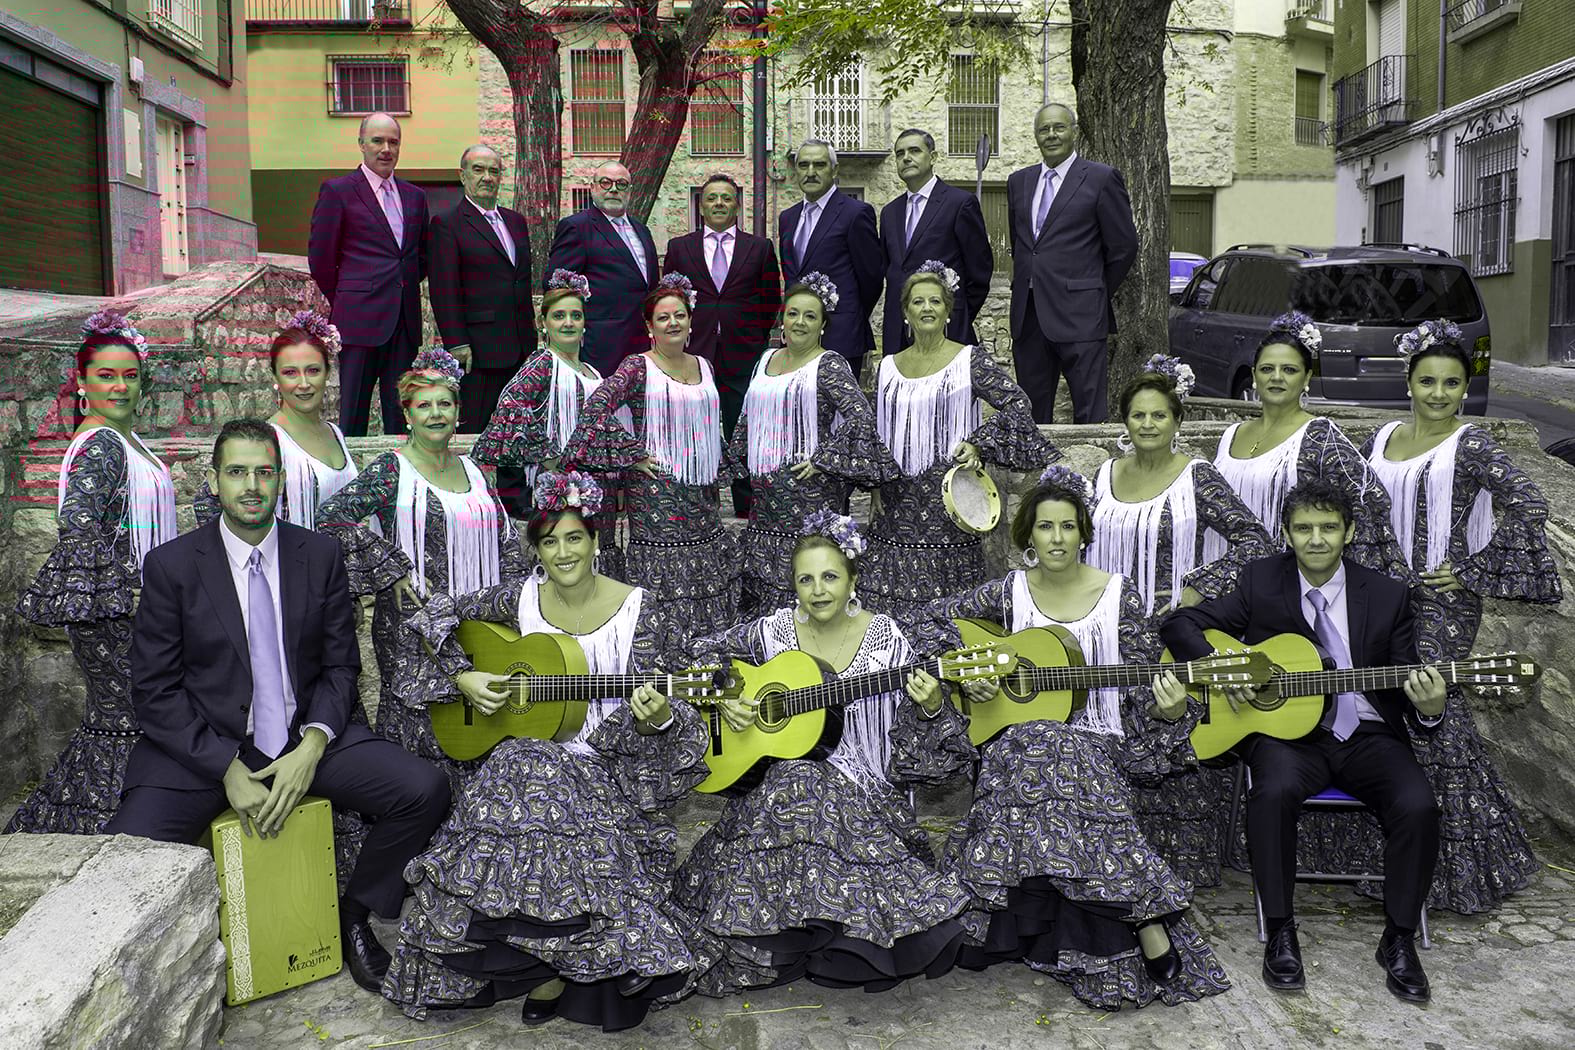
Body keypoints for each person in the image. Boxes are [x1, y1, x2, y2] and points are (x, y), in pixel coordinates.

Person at [105, 418, 452, 996]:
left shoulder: (318, 554)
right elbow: (154, 692)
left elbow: (342, 667)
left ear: (280, 479)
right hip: (204, 745)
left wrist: (314, 743)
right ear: (213, 482)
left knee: (424, 789)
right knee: (126, 859)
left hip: (302, 735)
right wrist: (224, 768)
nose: (250, 485)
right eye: (236, 472)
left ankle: (355, 915)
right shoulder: (172, 566)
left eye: (263, 472)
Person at [381, 472, 712, 1031]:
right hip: (528, 765)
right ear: (534, 550)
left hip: (605, 768)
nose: (563, 553)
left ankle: (549, 962)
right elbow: (427, 619)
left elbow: (674, 716)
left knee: (525, 770)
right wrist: (463, 678)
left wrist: (657, 719)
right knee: (523, 761)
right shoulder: (518, 599)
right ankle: (544, 960)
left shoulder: (641, 610)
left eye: (575, 538)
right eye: (550, 541)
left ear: (597, 541)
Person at [922, 469, 1231, 1010]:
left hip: (1100, 741)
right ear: (1028, 537)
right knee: (1040, 739)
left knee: (1059, 747)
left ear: (1084, 533)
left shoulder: (1118, 594)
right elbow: (927, 620)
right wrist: (973, 671)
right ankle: (1143, 909)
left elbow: (1140, 688)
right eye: (1045, 527)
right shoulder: (1007, 591)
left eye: (1068, 526)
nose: (1058, 538)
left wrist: (1170, 710)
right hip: (1015, 744)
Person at [1161, 479, 1449, 1004]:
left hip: (1366, 733)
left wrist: (1430, 710)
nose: (1316, 539)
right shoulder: (1261, 581)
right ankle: (1280, 931)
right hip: (1285, 737)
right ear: (1287, 534)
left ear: (1350, 532)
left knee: (1418, 806)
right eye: (1304, 529)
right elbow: (1181, 623)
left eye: (1329, 527)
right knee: (1271, 793)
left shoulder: (1387, 595)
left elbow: (1408, 686)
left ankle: (1400, 939)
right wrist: (1224, 668)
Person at [674, 513, 972, 995]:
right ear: (792, 587)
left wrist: (933, 708)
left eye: (830, 576)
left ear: (854, 580)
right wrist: (726, 696)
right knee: (799, 778)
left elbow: (931, 767)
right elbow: (694, 659)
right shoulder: (771, 634)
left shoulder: (889, 644)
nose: (818, 590)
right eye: (805, 579)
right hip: (778, 798)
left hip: (864, 796)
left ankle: (828, 946)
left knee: (810, 782)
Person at [1354, 319, 1560, 914]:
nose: (1439, 393)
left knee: (1433, 710)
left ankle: (1459, 868)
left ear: (1464, 388)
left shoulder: (1472, 444)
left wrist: (1472, 569)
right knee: (1384, 715)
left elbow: (1529, 501)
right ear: (1409, 382)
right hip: (1378, 602)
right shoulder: (1380, 439)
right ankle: (1381, 857)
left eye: (1451, 383)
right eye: (1428, 381)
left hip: (1443, 604)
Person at [1086, 355, 1273, 888]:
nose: (1148, 425)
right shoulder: (1101, 477)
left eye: (1159, 416)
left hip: (1174, 632)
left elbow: (1254, 539)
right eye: (1138, 415)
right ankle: (1108, 849)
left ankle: (1179, 861)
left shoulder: (1199, 476)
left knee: (1172, 728)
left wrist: (1198, 586)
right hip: (1109, 633)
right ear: (1125, 422)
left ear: (1177, 421)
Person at [315, 348, 527, 791]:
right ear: (407, 414)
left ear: (458, 410)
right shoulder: (393, 469)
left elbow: (505, 538)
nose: (436, 413)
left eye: (444, 403)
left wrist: (516, 601)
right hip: (416, 630)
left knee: (483, 730)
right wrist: (389, 569)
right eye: (424, 404)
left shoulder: (474, 470)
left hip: (479, 626)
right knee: (427, 753)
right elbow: (331, 517)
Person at [9, 312, 177, 834]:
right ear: (81, 382)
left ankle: (98, 829)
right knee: (128, 730)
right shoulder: (102, 445)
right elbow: (78, 526)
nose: (120, 386)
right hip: (116, 618)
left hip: (130, 611)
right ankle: (109, 833)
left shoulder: (120, 439)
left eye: (130, 375)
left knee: (124, 729)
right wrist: (134, 600)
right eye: (106, 375)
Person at [860, 263, 1058, 626]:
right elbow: (874, 431)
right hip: (895, 504)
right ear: (905, 312)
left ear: (948, 311)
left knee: (949, 611)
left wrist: (979, 444)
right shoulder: (886, 366)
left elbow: (1018, 404)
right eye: (917, 302)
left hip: (949, 502)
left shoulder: (969, 361)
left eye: (935, 301)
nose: (926, 308)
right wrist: (874, 485)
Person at [561, 274, 740, 649]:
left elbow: (711, 426)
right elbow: (596, 407)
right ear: (649, 327)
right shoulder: (637, 367)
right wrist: (633, 454)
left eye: (679, 315)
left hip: (701, 498)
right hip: (657, 500)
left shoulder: (704, 366)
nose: (672, 323)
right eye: (663, 317)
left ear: (691, 321)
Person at [728, 274, 894, 616]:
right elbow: (747, 419)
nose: (799, 322)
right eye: (793, 313)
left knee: (809, 581)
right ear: (783, 318)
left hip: (810, 496)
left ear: (822, 325)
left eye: (810, 316)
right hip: (766, 506)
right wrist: (728, 465)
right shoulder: (766, 360)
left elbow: (860, 418)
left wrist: (823, 459)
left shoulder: (829, 365)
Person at [1203, 311, 1407, 580]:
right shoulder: (1231, 435)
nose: (1277, 377)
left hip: (1285, 586)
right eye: (1267, 369)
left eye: (1289, 370)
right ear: (1254, 375)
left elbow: (1369, 501)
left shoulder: (1321, 437)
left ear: (1307, 378)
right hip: (1222, 579)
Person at [470, 269, 629, 578]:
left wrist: (619, 478)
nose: (568, 323)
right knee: (567, 564)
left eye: (575, 315)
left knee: (598, 563)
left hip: (600, 491)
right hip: (562, 490)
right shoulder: (543, 363)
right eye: (558, 316)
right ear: (544, 324)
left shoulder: (593, 372)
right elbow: (510, 407)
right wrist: (549, 458)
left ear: (585, 323)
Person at [1005, 103, 1138, 424]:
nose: (1051, 135)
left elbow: (1123, 246)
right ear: (1036, 136)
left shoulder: (1101, 178)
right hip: (1029, 317)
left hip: (1081, 316)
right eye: (1044, 129)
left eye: (1059, 127)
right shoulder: (1018, 182)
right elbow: (1023, 247)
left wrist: (1092, 288)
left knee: (1089, 414)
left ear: (1074, 132)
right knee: (1031, 419)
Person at [662, 173, 782, 517]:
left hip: (742, 352)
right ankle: (698, 501)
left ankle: (746, 503)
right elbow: (670, 297)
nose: (719, 204)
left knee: (742, 427)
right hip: (692, 353)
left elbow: (771, 298)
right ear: (701, 206)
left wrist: (752, 335)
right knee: (695, 428)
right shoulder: (679, 248)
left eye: (726, 198)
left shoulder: (759, 248)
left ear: (737, 205)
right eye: (712, 198)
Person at [307, 112, 428, 437]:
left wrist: (396, 291)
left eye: (393, 141)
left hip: (403, 324)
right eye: (377, 140)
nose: (385, 148)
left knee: (401, 418)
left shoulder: (415, 197)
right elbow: (320, 260)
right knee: (353, 416)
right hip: (358, 323)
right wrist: (351, 296)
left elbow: (419, 258)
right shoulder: (339, 191)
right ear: (361, 144)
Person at [194, 313, 365, 530]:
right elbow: (207, 502)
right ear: (275, 377)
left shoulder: (335, 433)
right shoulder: (266, 439)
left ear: (327, 373)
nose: (304, 383)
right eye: (290, 373)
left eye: (313, 370)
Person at [427, 144, 536, 437]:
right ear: (463, 176)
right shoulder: (447, 224)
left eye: (493, 170)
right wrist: (457, 342)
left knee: (517, 432)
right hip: (478, 350)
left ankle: (516, 485)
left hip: (521, 347)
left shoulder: (516, 222)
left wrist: (532, 340)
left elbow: (519, 282)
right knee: (477, 432)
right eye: (478, 170)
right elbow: (443, 288)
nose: (487, 177)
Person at [879, 129, 991, 358]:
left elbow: (979, 272)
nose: (906, 158)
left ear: (933, 157)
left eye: (914, 151)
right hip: (898, 334)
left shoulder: (959, 203)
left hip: (946, 330)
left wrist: (955, 312)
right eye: (900, 154)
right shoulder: (890, 212)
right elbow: (890, 268)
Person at [778, 140, 883, 380]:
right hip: (797, 339)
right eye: (803, 165)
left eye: (819, 165)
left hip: (841, 338)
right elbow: (791, 275)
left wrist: (848, 314)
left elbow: (872, 280)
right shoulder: (788, 218)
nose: (811, 172)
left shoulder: (855, 213)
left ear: (834, 170)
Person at [543, 162, 658, 375]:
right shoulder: (577, 227)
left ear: (630, 191)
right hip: (601, 347)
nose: (613, 189)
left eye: (621, 184)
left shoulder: (642, 230)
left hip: (644, 346)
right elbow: (556, 285)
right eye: (606, 183)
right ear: (593, 188)